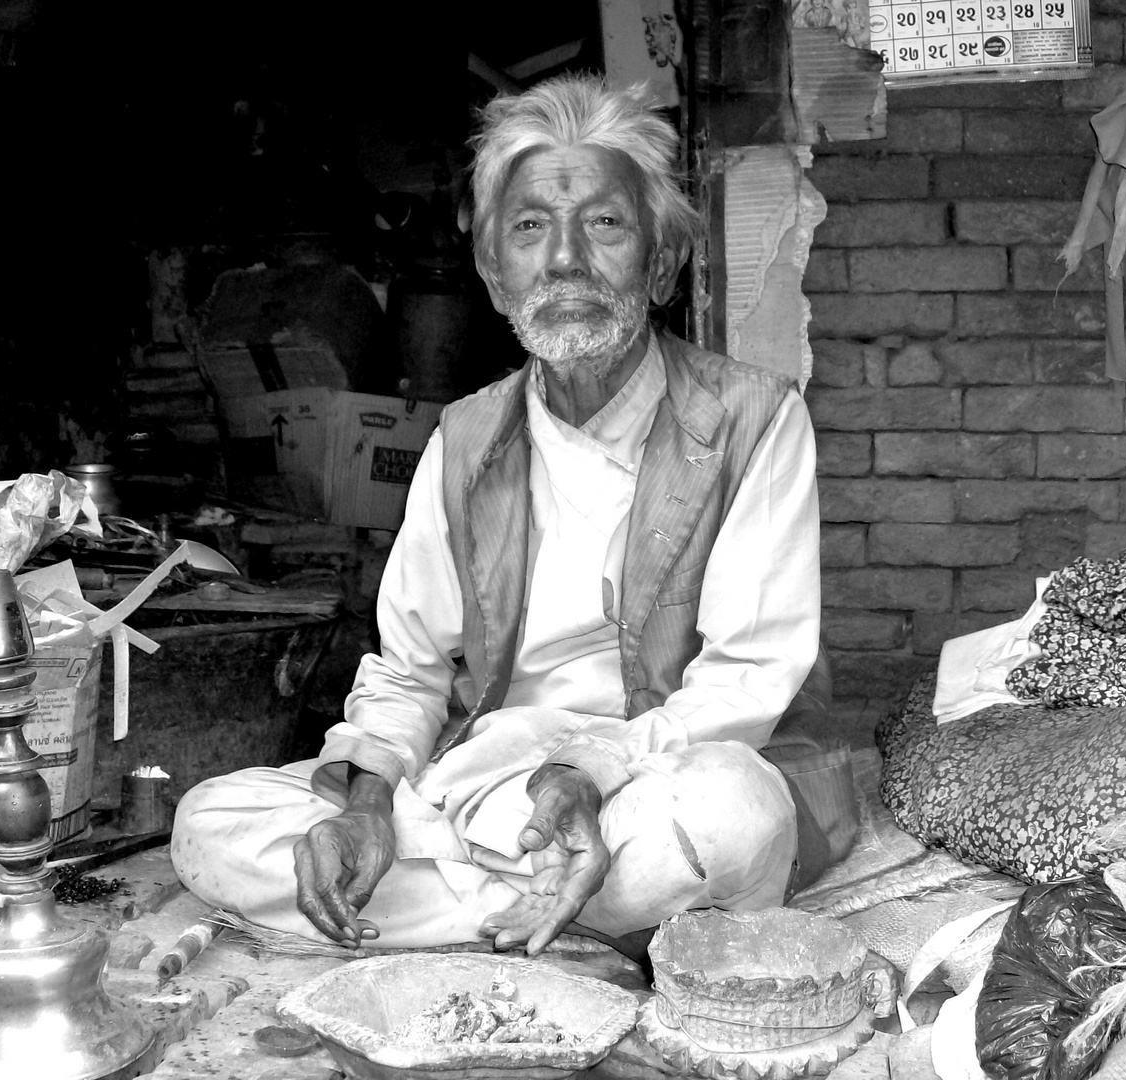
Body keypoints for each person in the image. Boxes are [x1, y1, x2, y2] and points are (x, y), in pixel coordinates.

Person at [170, 73, 821, 957]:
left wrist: (587, 770)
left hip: (644, 778)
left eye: (604, 223)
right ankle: (572, 921)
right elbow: (408, 671)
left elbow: (746, 680)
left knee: (733, 816)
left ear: (661, 263)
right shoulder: (466, 435)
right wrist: (367, 808)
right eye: (528, 227)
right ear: (492, 273)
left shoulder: (752, 420)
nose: (563, 259)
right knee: (211, 823)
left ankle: (488, 909)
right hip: (478, 785)